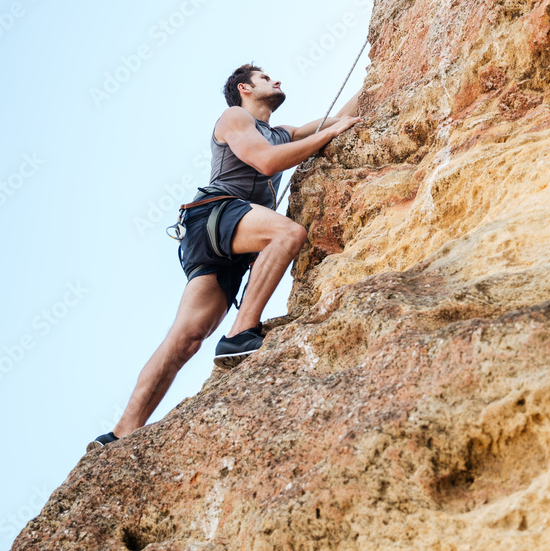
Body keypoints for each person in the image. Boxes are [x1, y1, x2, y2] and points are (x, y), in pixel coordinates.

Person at [87, 63, 361, 452]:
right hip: (216, 214)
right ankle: (239, 334)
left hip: (222, 234)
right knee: (288, 233)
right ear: (244, 88)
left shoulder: (282, 132)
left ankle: (118, 435)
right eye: (266, 77)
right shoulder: (235, 117)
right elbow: (266, 162)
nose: (277, 80)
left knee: (186, 338)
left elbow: (338, 118)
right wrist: (330, 133)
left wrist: (376, 73)